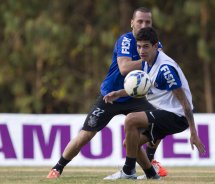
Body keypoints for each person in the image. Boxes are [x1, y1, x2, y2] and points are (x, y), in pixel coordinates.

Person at [47, 7, 167, 179]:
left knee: (161, 120)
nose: (143, 25)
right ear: (132, 23)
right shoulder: (125, 40)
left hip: (135, 97)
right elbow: (124, 68)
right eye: (139, 21)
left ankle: (150, 164)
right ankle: (57, 168)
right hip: (111, 96)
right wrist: (150, 57)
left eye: (147, 22)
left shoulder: (156, 45)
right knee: (86, 134)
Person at [103, 27, 206, 180]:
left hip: (177, 116)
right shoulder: (146, 62)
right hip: (164, 112)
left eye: (146, 46)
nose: (141, 50)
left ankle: (128, 171)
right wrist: (118, 93)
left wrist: (193, 132)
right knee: (130, 143)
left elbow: (185, 103)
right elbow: (142, 86)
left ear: (156, 46)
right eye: (138, 46)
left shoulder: (165, 69)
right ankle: (152, 175)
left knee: (131, 119)